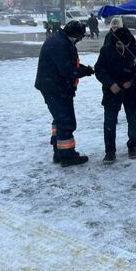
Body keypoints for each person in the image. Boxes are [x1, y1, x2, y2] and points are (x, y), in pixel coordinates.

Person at [34, 21, 95, 166]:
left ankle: (58, 153)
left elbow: (68, 64)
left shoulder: (60, 40)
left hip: (54, 86)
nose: (79, 40)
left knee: (59, 120)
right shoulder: (60, 44)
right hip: (56, 88)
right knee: (66, 121)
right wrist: (84, 72)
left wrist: (84, 68)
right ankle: (67, 156)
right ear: (75, 35)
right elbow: (67, 70)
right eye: (80, 37)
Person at [94, 27, 136, 164]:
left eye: (126, 44)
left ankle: (132, 146)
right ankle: (110, 152)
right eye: (120, 44)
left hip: (131, 91)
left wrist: (132, 81)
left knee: (133, 121)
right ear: (115, 41)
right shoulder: (106, 51)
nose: (123, 46)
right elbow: (99, 70)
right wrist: (110, 83)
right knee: (109, 122)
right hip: (112, 92)